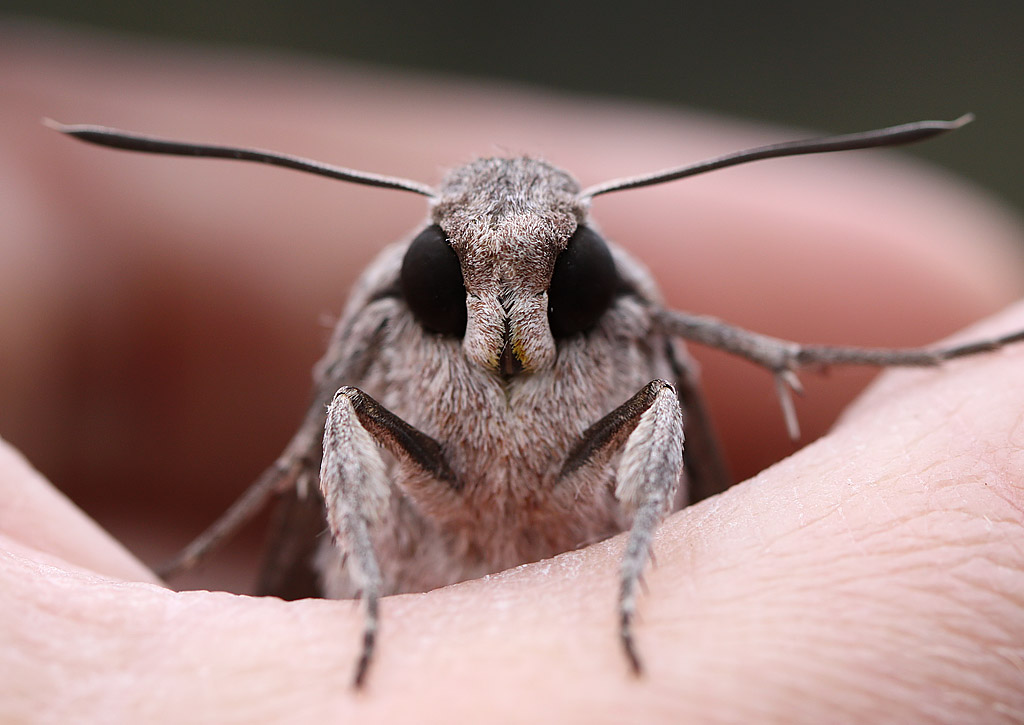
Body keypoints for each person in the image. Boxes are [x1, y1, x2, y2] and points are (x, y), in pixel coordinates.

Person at [2, 25, 1024, 722]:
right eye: (458, 280)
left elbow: (740, 354)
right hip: (407, 568)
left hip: (592, 516)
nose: (508, 321)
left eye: (558, 279)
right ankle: (361, 604)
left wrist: (913, 362)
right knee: (356, 412)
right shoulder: (384, 311)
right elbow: (307, 445)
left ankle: (633, 585)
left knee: (661, 388)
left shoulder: (626, 303)